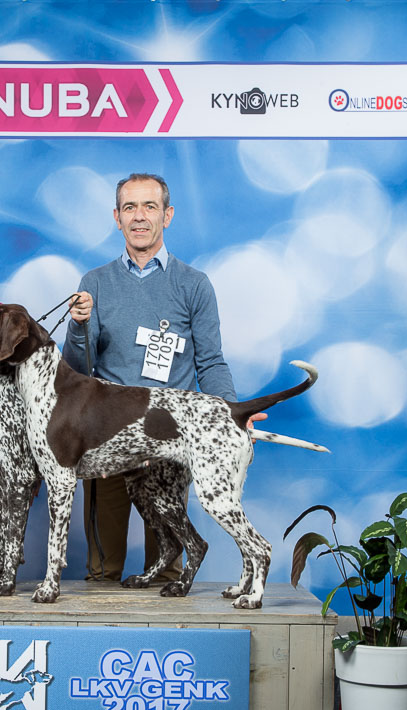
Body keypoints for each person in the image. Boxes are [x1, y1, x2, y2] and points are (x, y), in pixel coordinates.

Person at [63, 173, 264, 582]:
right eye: (130, 207)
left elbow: (210, 361)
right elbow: (77, 370)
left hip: (170, 433)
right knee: (103, 570)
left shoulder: (194, 284)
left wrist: (232, 414)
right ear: (117, 217)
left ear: (167, 215)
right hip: (105, 433)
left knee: (168, 567)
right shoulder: (94, 282)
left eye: (149, 207)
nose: (139, 216)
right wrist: (77, 326)